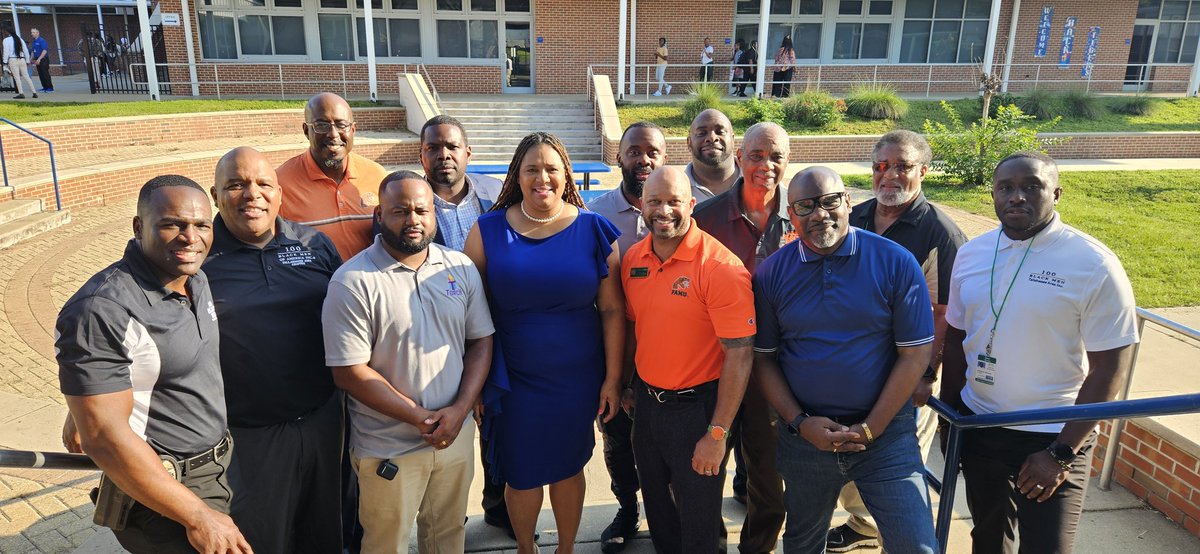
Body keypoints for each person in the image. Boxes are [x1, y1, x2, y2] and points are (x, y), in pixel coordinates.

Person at [940, 152, 1139, 554]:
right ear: (993, 194)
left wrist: (1060, 454)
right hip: (982, 426)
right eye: (1006, 188)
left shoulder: (1093, 263)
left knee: (1048, 548)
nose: (1017, 197)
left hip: (1054, 432)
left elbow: (1112, 367)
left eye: (1031, 186)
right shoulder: (972, 254)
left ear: (1056, 193)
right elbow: (958, 340)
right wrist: (950, 420)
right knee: (989, 541)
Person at [56, 175, 250, 554]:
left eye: (201, 225)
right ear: (138, 227)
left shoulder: (194, 278)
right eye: (171, 224)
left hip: (215, 467)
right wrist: (197, 515)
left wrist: (86, 399)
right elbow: (104, 438)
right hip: (166, 491)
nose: (190, 237)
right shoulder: (103, 309)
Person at [753, 167, 940, 554]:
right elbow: (765, 361)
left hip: (885, 438)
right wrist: (801, 423)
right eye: (806, 206)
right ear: (792, 213)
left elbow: (915, 354)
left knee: (916, 544)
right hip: (806, 439)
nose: (820, 214)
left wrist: (870, 428)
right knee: (803, 543)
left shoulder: (895, 261)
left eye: (830, 201)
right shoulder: (771, 273)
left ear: (848, 203)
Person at [464, 132, 625, 554]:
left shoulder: (594, 230)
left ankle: (566, 548)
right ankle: (525, 548)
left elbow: (611, 311)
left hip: (576, 377)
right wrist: (475, 383)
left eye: (552, 168)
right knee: (521, 471)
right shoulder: (487, 231)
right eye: (532, 168)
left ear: (565, 174)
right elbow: (469, 314)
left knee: (569, 467)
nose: (543, 178)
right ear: (516, 175)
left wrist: (612, 378)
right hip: (512, 376)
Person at [323, 171, 495, 553]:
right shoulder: (352, 282)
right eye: (399, 211)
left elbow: (481, 340)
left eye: (421, 209)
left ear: (434, 213)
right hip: (389, 446)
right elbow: (348, 372)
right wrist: (419, 417)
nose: (412, 219)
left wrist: (460, 410)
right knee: (388, 545)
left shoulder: (460, 267)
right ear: (379, 216)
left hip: (454, 437)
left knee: (448, 536)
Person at [829, 130, 966, 552]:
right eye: (880, 167)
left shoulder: (938, 232)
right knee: (852, 466)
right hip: (854, 373)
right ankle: (864, 525)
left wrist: (926, 374)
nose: (889, 176)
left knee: (897, 475)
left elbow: (944, 314)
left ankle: (895, 537)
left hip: (905, 374)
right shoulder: (859, 216)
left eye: (902, 166)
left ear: (923, 171)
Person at [205, 147, 344, 553]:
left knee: (325, 534)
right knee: (263, 540)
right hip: (249, 436)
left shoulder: (314, 244)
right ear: (216, 195)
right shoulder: (196, 258)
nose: (252, 194)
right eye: (236, 185)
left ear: (280, 193)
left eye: (263, 184)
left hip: (323, 420)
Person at [622, 166, 755, 554]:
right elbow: (635, 327)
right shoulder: (633, 259)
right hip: (647, 407)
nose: (664, 210)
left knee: (699, 521)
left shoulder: (720, 268)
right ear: (642, 207)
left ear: (691, 205)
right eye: (655, 201)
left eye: (674, 201)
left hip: (698, 409)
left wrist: (717, 434)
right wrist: (629, 384)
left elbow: (740, 355)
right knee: (659, 509)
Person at [692, 122, 794, 554]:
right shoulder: (707, 219)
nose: (765, 166)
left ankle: (758, 547)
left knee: (769, 483)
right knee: (702, 475)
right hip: (713, 369)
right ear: (739, 156)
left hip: (775, 375)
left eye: (776, 157)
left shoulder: (804, 218)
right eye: (756, 156)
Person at [584, 121, 673, 553]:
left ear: (664, 157)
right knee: (617, 436)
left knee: (668, 440)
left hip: (672, 349)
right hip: (615, 347)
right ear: (619, 157)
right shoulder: (596, 214)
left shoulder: (685, 207)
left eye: (651, 152)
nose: (643, 160)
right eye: (633, 151)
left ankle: (669, 511)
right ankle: (626, 507)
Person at [278, 92, 389, 262]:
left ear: (353, 129)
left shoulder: (377, 175)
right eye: (321, 125)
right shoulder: (281, 183)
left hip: (371, 284)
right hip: (316, 286)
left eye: (341, 125)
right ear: (307, 131)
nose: (333, 134)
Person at [419, 115, 502, 252]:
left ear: (468, 154)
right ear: (421, 157)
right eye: (432, 148)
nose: (444, 155)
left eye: (452, 146)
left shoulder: (497, 190)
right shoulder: (409, 203)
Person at [685, 109, 741, 200]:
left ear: (733, 140)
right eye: (701, 133)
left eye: (720, 132)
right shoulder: (675, 188)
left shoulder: (756, 179)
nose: (712, 138)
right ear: (689, 143)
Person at [3, 24, 37, 99]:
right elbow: (25, 50)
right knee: (27, 76)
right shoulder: (20, 39)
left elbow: (6, 52)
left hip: (13, 60)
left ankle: (21, 93)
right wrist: (27, 61)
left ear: (7, 32)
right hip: (22, 59)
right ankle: (34, 92)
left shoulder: (6, 40)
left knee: (17, 77)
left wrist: (5, 62)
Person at [29, 28, 52, 92]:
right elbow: (33, 52)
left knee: (45, 73)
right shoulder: (34, 42)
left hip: (43, 59)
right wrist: (31, 59)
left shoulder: (41, 41)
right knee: (41, 74)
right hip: (37, 60)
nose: (32, 34)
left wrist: (39, 59)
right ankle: (44, 87)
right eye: (31, 32)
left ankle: (50, 88)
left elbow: (44, 51)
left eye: (33, 32)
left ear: (37, 33)